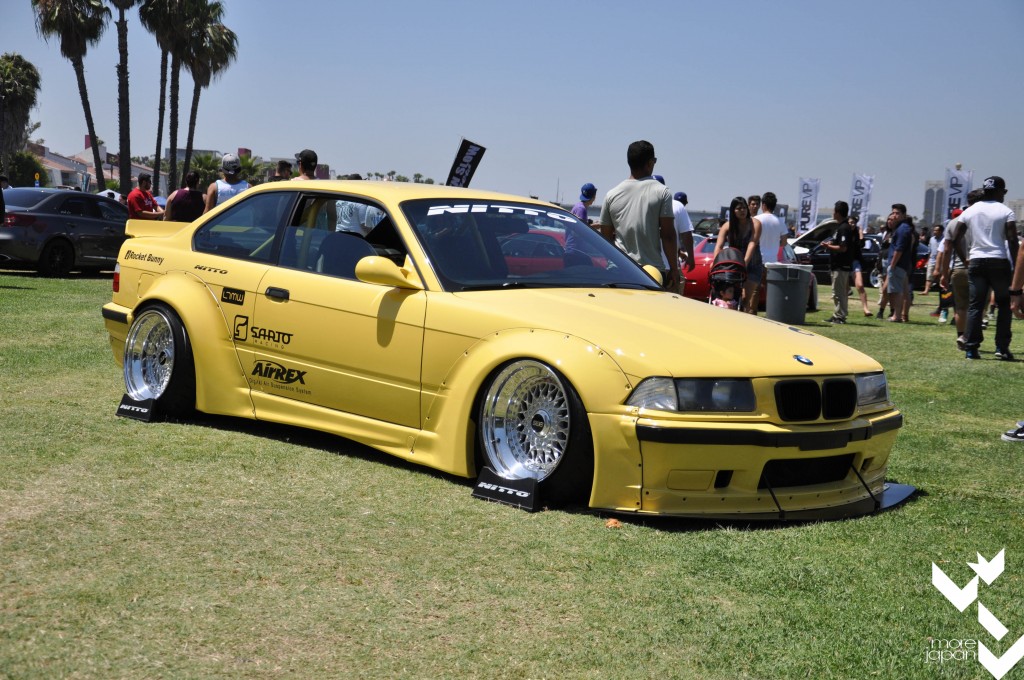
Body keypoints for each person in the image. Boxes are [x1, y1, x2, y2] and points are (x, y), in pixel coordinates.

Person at [949, 176, 1017, 360]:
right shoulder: (1006, 211)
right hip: (999, 261)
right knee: (1004, 305)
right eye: (1003, 192)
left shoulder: (970, 211)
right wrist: (1016, 265)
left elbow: (955, 239)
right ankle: (1001, 348)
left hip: (976, 261)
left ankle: (971, 348)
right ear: (1000, 191)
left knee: (975, 306)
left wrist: (965, 260)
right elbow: (1012, 240)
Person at [595, 140, 679, 290]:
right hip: (651, 272)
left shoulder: (611, 195)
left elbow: (606, 238)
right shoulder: (662, 192)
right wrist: (674, 268)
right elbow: (668, 235)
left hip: (619, 270)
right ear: (650, 163)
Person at [712, 196, 762, 314]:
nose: (742, 211)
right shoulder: (727, 226)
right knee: (734, 297)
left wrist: (744, 263)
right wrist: (715, 263)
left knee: (745, 298)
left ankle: (746, 317)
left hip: (752, 264)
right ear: (733, 211)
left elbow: (752, 243)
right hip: (734, 265)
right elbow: (719, 246)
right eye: (739, 208)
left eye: (744, 208)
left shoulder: (756, 223)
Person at [822, 201, 853, 324]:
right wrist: (831, 243)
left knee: (839, 293)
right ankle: (837, 314)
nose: (833, 213)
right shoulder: (840, 227)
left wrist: (828, 246)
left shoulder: (844, 228)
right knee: (839, 292)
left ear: (838, 213)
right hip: (837, 265)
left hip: (841, 265)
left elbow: (843, 248)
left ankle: (839, 316)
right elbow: (839, 243)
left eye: (834, 211)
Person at [886, 204, 915, 322]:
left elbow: (899, 249)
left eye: (897, 213)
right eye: (893, 213)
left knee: (897, 291)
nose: (894, 215)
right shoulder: (902, 228)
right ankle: (902, 315)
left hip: (898, 265)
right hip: (901, 265)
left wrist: (892, 265)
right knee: (903, 291)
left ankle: (896, 315)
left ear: (903, 215)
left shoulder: (902, 229)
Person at [848, 212, 872, 316]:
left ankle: (866, 309)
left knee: (860, 285)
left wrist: (861, 234)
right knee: (843, 287)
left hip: (855, 261)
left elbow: (861, 245)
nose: (852, 224)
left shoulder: (857, 233)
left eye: (853, 222)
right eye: (850, 222)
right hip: (844, 262)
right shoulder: (843, 232)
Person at [754, 191, 787, 266]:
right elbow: (784, 242)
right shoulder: (781, 222)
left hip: (757, 259)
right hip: (773, 261)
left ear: (763, 205)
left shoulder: (755, 219)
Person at [672, 191, 695, 278]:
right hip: (670, 262)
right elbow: (687, 234)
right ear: (686, 203)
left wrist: (679, 253)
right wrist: (691, 257)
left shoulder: (664, 206)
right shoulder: (680, 208)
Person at [923, 224, 943, 294]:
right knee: (929, 276)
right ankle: (926, 290)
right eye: (934, 230)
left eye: (936, 230)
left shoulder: (944, 239)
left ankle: (942, 290)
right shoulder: (932, 239)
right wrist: (928, 260)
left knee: (940, 276)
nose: (934, 232)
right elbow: (930, 250)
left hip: (941, 261)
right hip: (932, 260)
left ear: (941, 231)